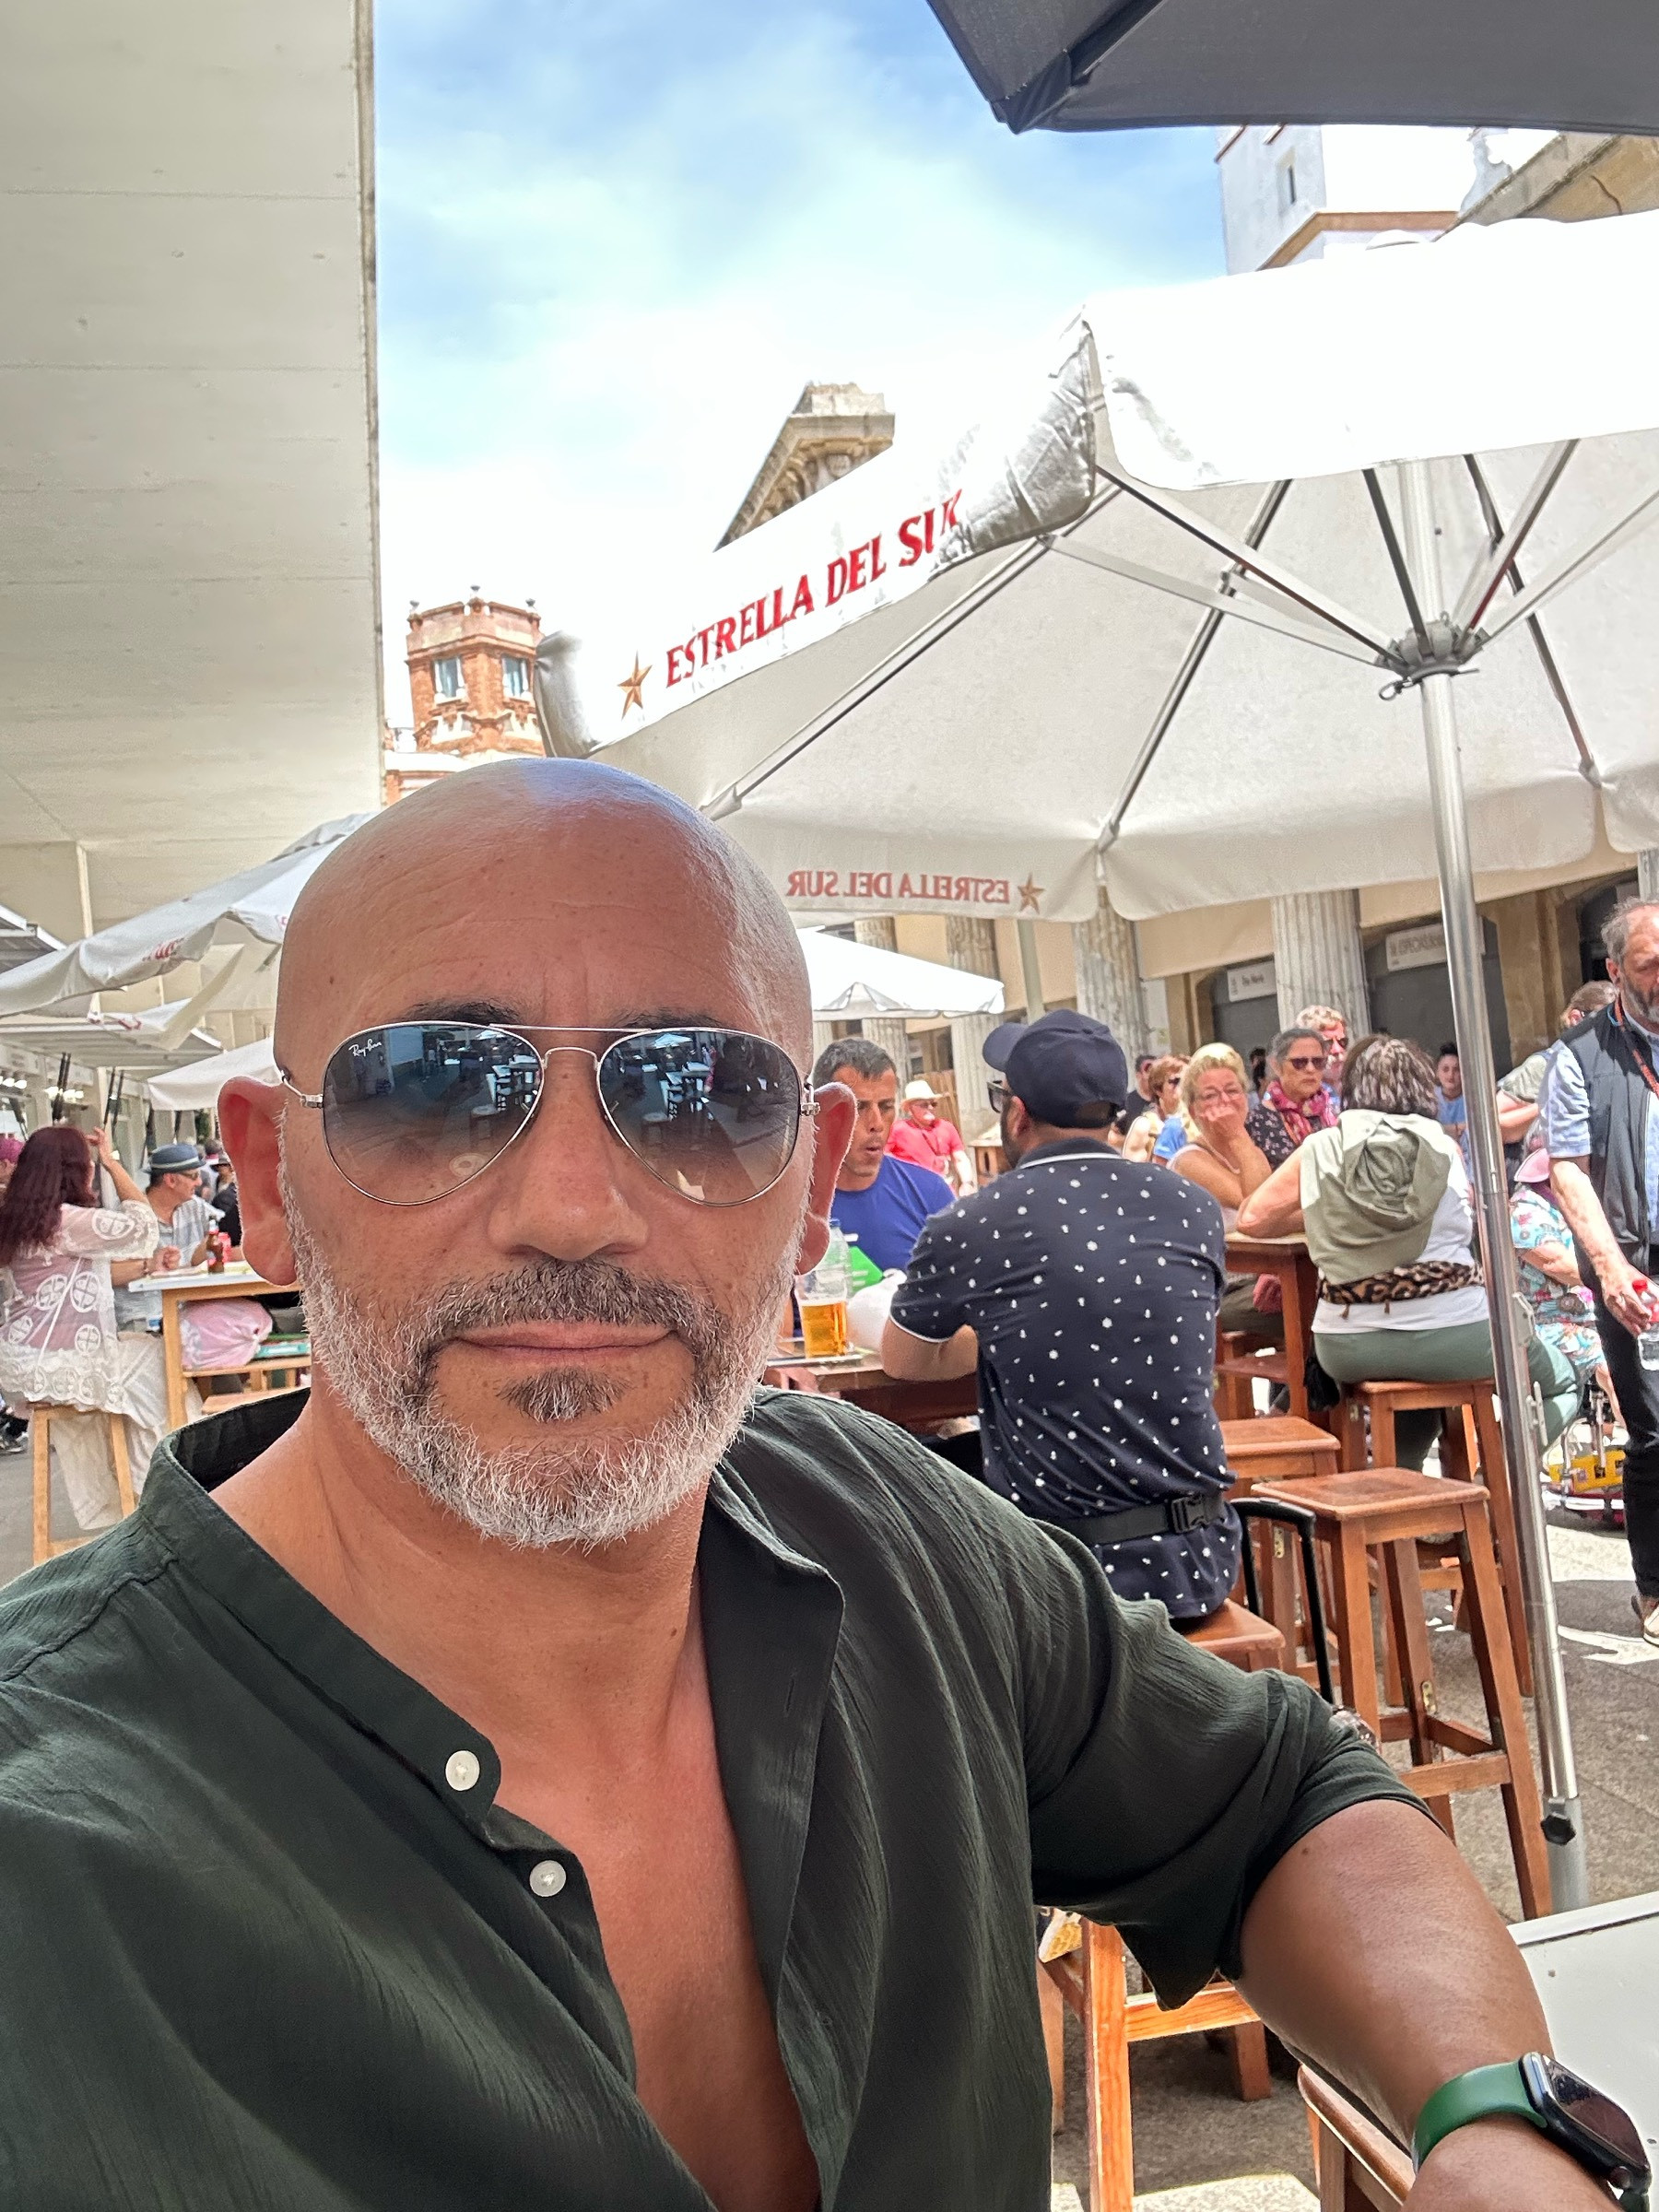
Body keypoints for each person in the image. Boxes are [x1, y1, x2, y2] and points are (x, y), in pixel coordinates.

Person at [0, 761, 1621, 2211]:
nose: (572, 1207)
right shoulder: (52, 1854)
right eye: (432, 1088)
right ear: (272, 1181)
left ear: (810, 1186)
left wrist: (1496, 2113)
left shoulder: (888, 1529)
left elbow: (1280, 1802)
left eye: (698, 1093)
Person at [880, 1010, 1241, 1621]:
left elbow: (904, 1359)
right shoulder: (1192, 1207)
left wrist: (1003, 1329)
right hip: (1201, 1558)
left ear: (1017, 1113)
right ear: (1114, 1112)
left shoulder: (973, 1223)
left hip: (1063, 1581)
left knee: (902, 1483)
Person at [1239, 1035, 1578, 1470]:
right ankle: (1492, 1479)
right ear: (1422, 1087)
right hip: (1454, 1338)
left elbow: (1253, 1219)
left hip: (1347, 1345)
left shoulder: (1320, 1148)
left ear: (1352, 1088)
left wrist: (1331, 1211)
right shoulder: (1444, 1148)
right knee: (1563, 1383)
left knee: (1414, 1388)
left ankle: (1405, 1488)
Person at [1545, 899, 1659, 1648]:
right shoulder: (1580, 1056)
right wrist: (1610, 1269)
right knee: (1656, 1429)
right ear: (1616, 971)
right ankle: (1656, 1587)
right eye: (1651, 965)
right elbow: (1568, 1170)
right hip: (1637, 1262)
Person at [0, 1124, 166, 1527]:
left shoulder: (17, 1221)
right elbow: (146, 1228)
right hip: (58, 1363)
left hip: (22, 1362)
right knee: (165, 1368)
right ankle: (150, 1489)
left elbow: (79, 1282)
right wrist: (113, 1163)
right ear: (77, 1170)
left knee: (143, 1364)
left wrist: (147, 1267)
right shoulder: (66, 1221)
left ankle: (129, 1494)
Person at [810, 1037, 953, 1272]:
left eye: (886, 1107)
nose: (876, 1124)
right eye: (858, 1107)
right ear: (821, 1110)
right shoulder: (788, 1204)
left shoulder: (931, 1195)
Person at [1509, 1145, 1608, 1413]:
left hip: (1590, 1316)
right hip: (1547, 1323)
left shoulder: (1576, 1206)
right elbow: (1560, 1265)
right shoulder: (1524, 1211)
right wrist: (1615, 1274)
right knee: (1610, 1363)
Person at [111, 1140, 219, 1331]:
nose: (199, 1182)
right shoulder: (126, 1219)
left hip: (189, 1315)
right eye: (194, 1176)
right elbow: (107, 1275)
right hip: (142, 1322)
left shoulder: (195, 1207)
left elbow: (223, 1233)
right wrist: (149, 1265)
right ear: (171, 1180)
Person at [1497, 982, 1615, 1152]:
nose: (1612, 1033)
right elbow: (1497, 1127)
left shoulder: (1613, 1067)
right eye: (1604, 1023)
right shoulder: (1545, 1066)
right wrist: (1553, 1104)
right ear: (1576, 1018)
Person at [1246, 1026, 1338, 1169]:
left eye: (1318, 1062)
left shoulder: (1335, 1111)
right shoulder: (1257, 1120)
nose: (1310, 1069)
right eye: (1299, 1062)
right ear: (1276, 1066)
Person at [886, 1077, 973, 1194]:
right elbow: (883, 1159)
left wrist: (967, 1183)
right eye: (924, 1105)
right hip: (912, 1193)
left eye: (933, 1103)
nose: (931, 1108)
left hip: (943, 1190)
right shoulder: (898, 1129)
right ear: (910, 1108)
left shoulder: (947, 1127)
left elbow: (960, 1158)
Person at [1121, 1052, 1184, 1163]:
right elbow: (1133, 1170)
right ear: (1159, 1089)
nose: (1182, 1087)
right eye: (1175, 1081)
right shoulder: (1145, 1126)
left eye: (1186, 1081)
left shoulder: (1196, 1122)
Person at [1295, 1002, 1348, 1095]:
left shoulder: (1359, 1090)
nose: (1337, 1050)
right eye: (1327, 1044)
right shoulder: (1292, 1097)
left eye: (1342, 1042)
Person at [1435, 1043, 1471, 1167]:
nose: (1450, 1075)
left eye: (1456, 1070)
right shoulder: (1429, 1099)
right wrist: (1458, 1129)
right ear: (1437, 1073)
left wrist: (1446, 1130)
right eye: (1445, 1069)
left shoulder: (1472, 1099)